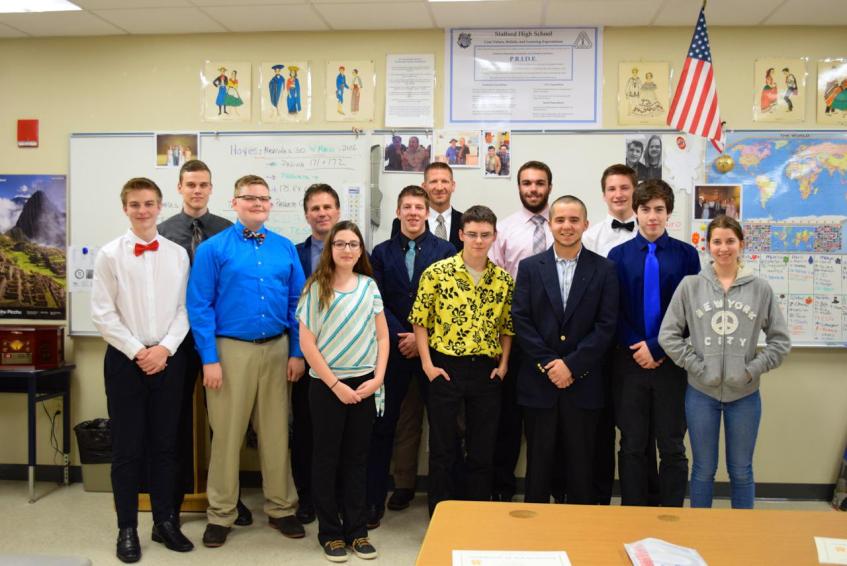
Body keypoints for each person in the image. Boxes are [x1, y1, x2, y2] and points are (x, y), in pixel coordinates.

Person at [187, 175, 306, 547]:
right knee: (226, 436)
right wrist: (209, 359)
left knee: (276, 434)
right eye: (249, 197)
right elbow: (199, 305)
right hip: (229, 352)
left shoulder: (284, 248)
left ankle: (281, 508)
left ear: (270, 204)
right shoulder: (213, 249)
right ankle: (221, 513)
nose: (257, 203)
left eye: (263, 198)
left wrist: (297, 352)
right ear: (234, 202)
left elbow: (298, 305)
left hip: (277, 350)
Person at [91, 177, 194, 563]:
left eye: (149, 203)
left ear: (160, 206)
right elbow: (103, 314)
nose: (143, 210)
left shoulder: (177, 254)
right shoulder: (109, 255)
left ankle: (165, 521)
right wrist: (139, 351)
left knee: (166, 446)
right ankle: (127, 528)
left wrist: (165, 348)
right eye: (135, 204)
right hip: (125, 360)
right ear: (125, 208)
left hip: (169, 358)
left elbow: (185, 308)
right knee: (127, 448)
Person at [659, 215, 790, 509]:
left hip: (745, 396)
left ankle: (741, 531)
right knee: (703, 470)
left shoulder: (760, 289)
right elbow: (668, 335)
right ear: (708, 246)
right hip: (700, 394)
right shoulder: (691, 286)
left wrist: (751, 370)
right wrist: (697, 367)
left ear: (741, 244)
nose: (723, 248)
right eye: (717, 241)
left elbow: (780, 342)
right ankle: (702, 530)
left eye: (730, 241)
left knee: (741, 471)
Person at [157, 160, 253, 527]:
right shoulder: (164, 233)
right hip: (178, 340)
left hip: (221, 338)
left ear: (212, 189)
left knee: (225, 423)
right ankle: (175, 498)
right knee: (178, 419)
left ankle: (229, 498)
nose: (197, 191)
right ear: (180, 188)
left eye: (203, 185)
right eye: (190, 185)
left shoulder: (229, 231)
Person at [512, 195, 619, 505]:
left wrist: (571, 365)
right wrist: (550, 363)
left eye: (574, 220)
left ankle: (579, 528)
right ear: (550, 224)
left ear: (585, 224)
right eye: (560, 220)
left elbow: (606, 325)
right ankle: (536, 527)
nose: (567, 226)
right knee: (539, 466)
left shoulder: (605, 269)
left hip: (583, 383)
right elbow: (521, 320)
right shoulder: (530, 268)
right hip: (539, 383)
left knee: (581, 467)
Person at [410, 205, 514, 515]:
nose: (478, 241)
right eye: (472, 234)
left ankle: (476, 514)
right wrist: (427, 365)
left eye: (485, 235)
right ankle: (442, 514)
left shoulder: (503, 280)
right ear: (461, 235)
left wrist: (503, 365)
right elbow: (420, 321)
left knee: (482, 448)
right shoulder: (437, 273)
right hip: (446, 367)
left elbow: (507, 327)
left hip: (486, 370)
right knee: (443, 447)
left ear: (494, 236)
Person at [297, 220, 389, 562]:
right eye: (340, 244)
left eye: (353, 244)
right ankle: (330, 533)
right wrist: (335, 385)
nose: (347, 250)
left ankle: (357, 531)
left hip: (364, 385)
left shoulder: (369, 286)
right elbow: (307, 344)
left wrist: (377, 379)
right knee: (326, 459)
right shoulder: (315, 288)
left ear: (360, 250)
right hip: (327, 386)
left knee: (357, 460)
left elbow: (382, 336)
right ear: (330, 249)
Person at [366, 185, 455, 528]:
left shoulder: (445, 250)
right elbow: (376, 298)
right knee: (384, 426)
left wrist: (421, 339)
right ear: (398, 212)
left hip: (433, 351)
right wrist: (402, 335)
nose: (414, 213)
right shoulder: (381, 252)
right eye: (407, 207)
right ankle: (374, 502)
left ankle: (443, 502)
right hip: (393, 349)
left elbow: (449, 302)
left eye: (419, 207)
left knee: (444, 428)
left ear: (427, 213)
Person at [608, 179, 700, 508]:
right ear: (636, 211)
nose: (652, 216)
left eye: (659, 210)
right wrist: (639, 345)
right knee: (632, 443)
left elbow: (691, 310)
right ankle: (634, 511)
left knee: (672, 444)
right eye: (645, 209)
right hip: (630, 361)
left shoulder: (686, 255)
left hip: (672, 362)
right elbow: (613, 310)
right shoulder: (617, 256)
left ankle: (672, 512)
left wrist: (658, 347)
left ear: (668, 213)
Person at [582, 163, 661, 507]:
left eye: (625, 188)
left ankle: (647, 501)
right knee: (601, 428)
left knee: (644, 431)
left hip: (646, 350)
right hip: (603, 347)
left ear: (636, 191)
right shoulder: (591, 237)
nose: (618, 195)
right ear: (604, 195)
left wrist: (653, 346)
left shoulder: (653, 233)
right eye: (612, 189)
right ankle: (599, 500)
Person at [487, 160, 554, 502]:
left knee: (551, 419)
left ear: (549, 187)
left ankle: (552, 487)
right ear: (519, 187)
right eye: (527, 183)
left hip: (557, 337)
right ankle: (503, 486)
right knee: (509, 418)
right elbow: (495, 284)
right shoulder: (504, 229)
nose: (533, 189)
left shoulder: (564, 225)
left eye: (539, 183)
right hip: (515, 336)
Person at [293, 183, 342, 526]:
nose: (322, 213)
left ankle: (336, 496)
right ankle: (307, 497)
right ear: (306, 215)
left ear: (337, 212)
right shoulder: (293, 253)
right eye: (315, 208)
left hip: (344, 358)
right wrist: (298, 352)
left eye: (327, 207)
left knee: (340, 433)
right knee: (305, 429)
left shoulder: (353, 250)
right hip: (305, 356)